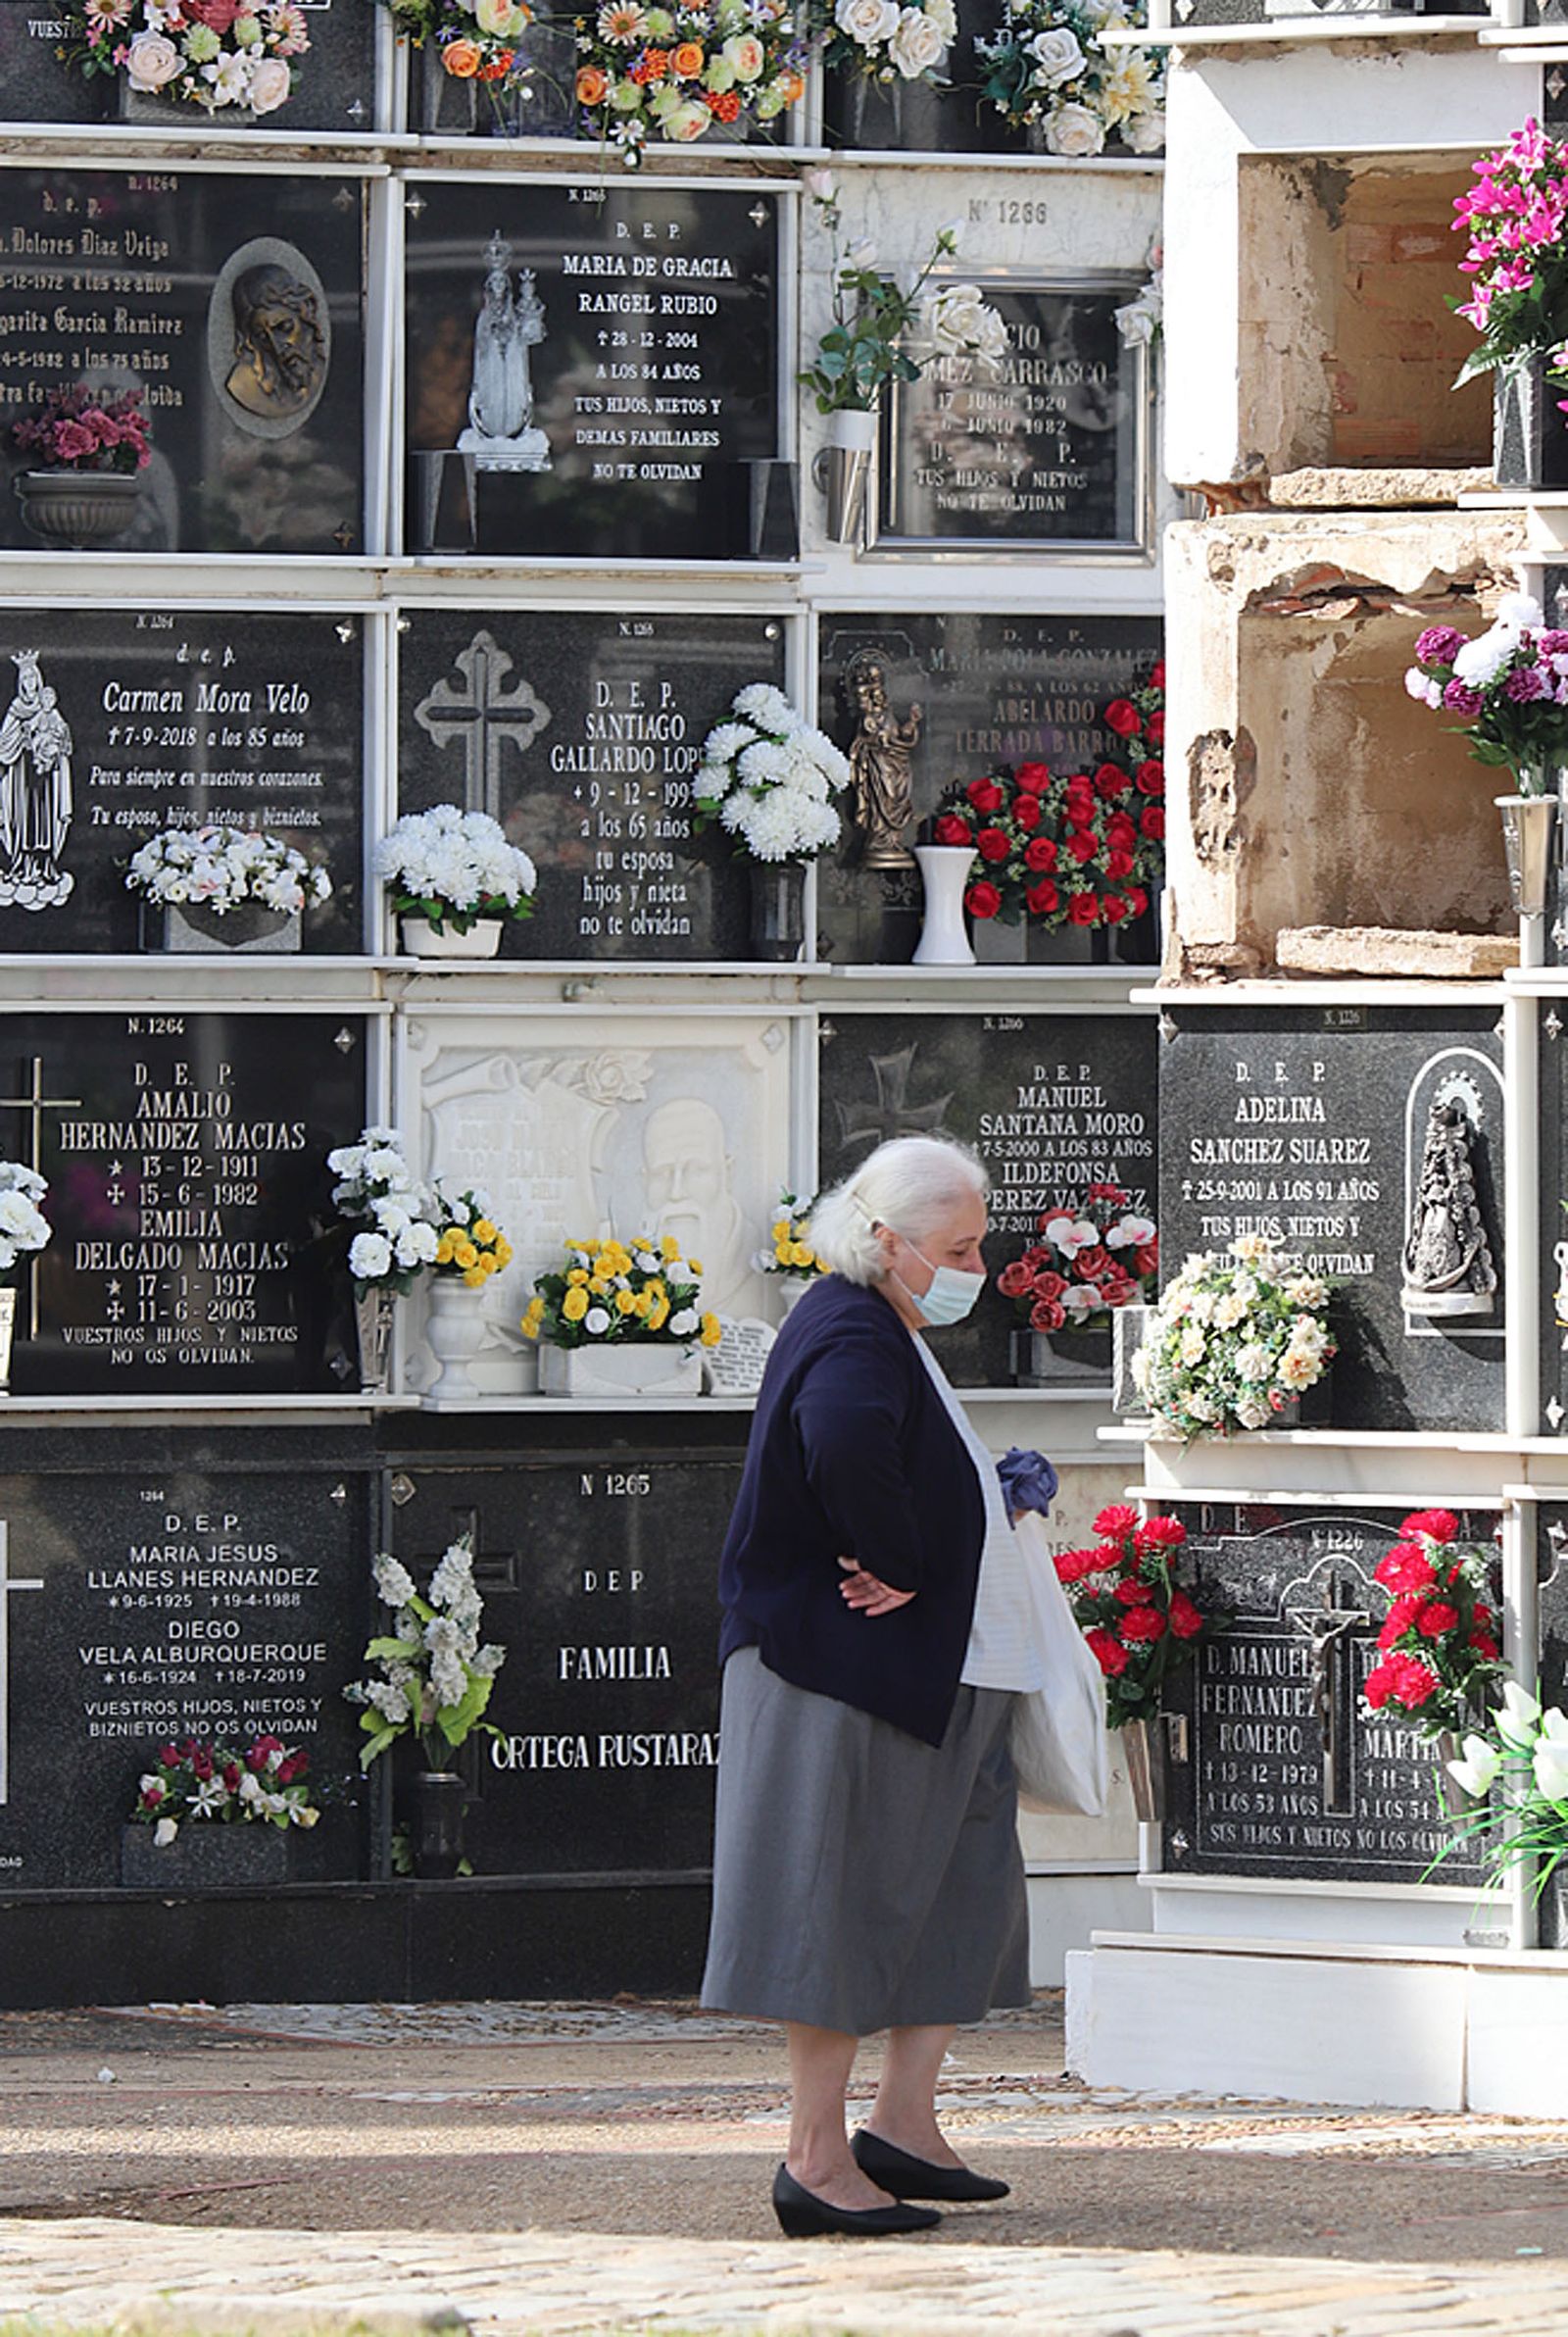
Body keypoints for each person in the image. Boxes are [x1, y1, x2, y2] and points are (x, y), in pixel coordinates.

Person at [701, 1134, 1042, 2238]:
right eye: (960, 1247)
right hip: (843, 1672)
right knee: (838, 1907)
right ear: (888, 1240)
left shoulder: (877, 1320)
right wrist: (901, 1556)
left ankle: (901, 2127)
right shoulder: (851, 1325)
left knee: (953, 1891)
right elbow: (844, 1435)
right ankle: (815, 2155)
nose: (976, 1267)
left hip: (929, 1669)